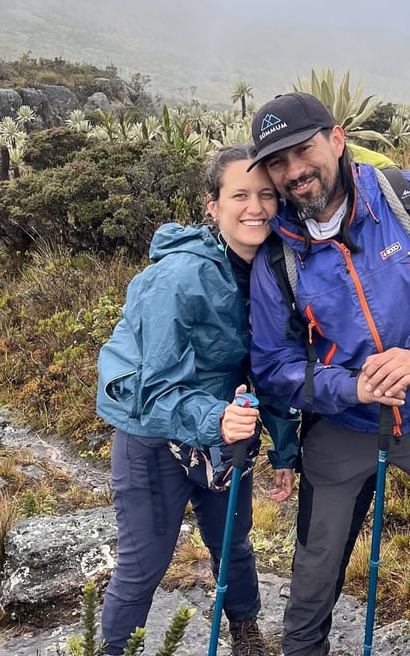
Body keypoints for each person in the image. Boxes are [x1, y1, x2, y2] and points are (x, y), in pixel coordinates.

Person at [246, 92, 410, 656]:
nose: (294, 172)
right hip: (344, 426)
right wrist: (350, 386)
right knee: (315, 561)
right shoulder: (277, 256)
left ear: (336, 140)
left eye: (302, 151)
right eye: (277, 163)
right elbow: (274, 365)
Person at [96, 144, 299, 656]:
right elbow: (157, 387)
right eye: (239, 195)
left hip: (227, 429)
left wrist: (284, 450)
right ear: (213, 206)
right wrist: (219, 421)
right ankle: (112, 650)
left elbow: (268, 368)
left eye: (266, 195)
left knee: (232, 543)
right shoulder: (180, 276)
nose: (255, 207)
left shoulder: (277, 270)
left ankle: (246, 632)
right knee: (143, 562)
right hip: (154, 434)